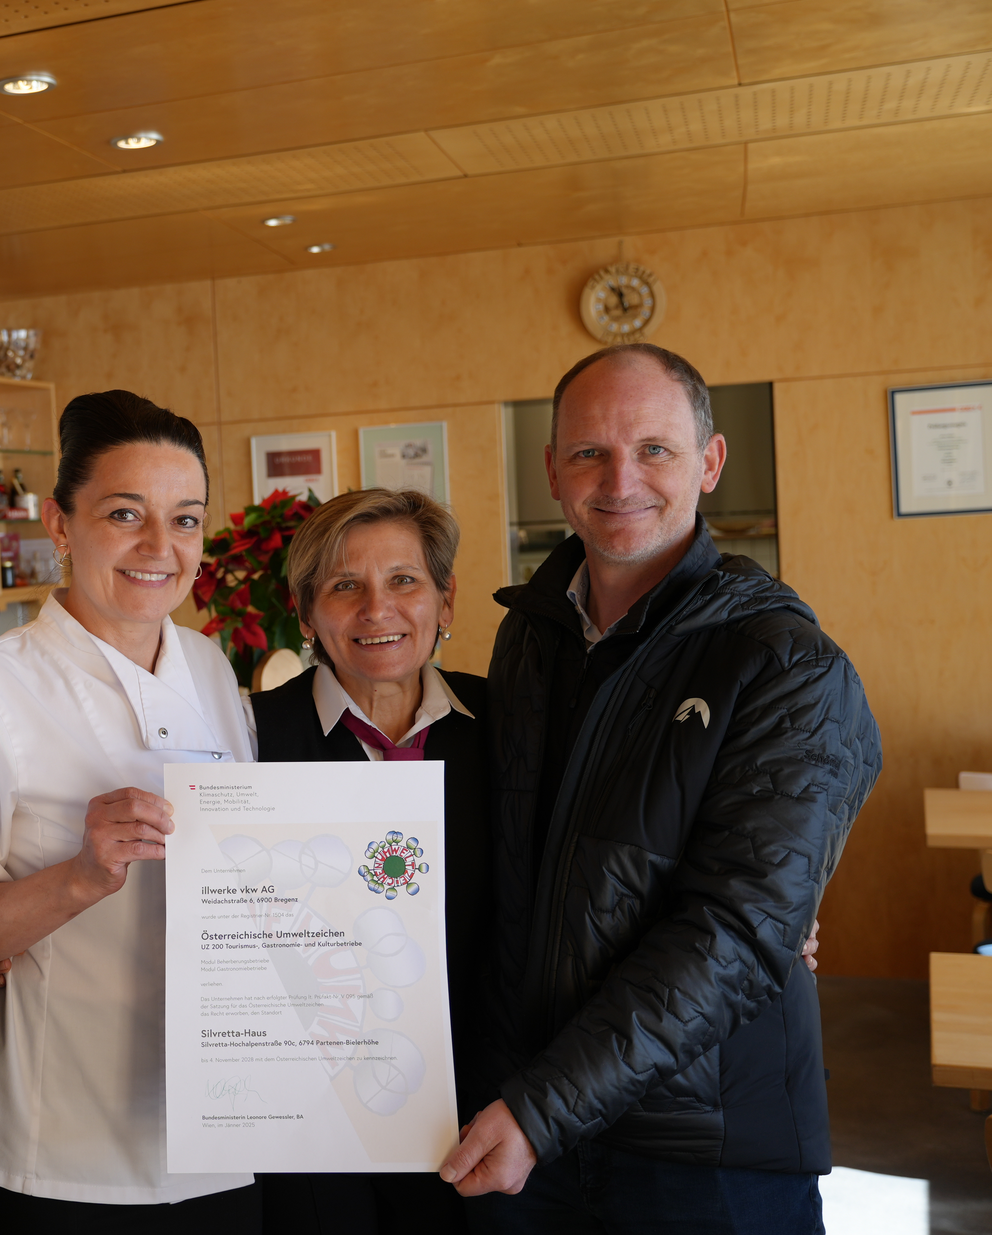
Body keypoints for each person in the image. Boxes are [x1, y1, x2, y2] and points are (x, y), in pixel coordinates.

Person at [441, 343, 881, 1233]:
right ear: (552, 472)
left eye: (654, 449)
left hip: (702, 1148)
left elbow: (737, 932)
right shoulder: (530, 637)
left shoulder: (786, 663)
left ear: (709, 463)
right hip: (527, 1129)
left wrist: (542, 1106)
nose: (620, 480)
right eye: (589, 452)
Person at [0, 390, 261, 1233]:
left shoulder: (212, 669)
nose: (159, 547)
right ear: (60, 526)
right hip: (64, 1153)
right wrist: (79, 876)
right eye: (125, 514)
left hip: (224, 1136)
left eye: (185, 520)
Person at [248, 487, 488, 1234]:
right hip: (309, 1125)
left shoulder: (508, 727)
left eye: (404, 581)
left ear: (445, 601)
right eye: (345, 586)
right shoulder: (247, 738)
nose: (377, 609)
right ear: (306, 613)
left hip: (478, 1113)